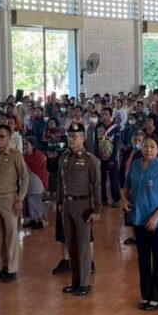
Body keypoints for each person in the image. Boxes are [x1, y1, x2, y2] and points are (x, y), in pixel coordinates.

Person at [122, 135, 158, 311]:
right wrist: (124, 199)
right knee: (143, 258)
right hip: (139, 218)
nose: (148, 150)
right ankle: (146, 294)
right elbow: (127, 185)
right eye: (145, 146)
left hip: (157, 222)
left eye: (152, 146)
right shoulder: (136, 165)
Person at [58, 122, 100, 296]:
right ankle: (75, 280)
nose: (71, 139)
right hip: (67, 205)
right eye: (69, 136)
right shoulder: (64, 158)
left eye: (75, 136)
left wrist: (96, 210)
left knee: (83, 245)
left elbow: (96, 185)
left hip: (83, 205)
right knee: (71, 245)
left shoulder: (90, 159)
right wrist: (60, 202)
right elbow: (61, 183)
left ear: (83, 138)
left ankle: (84, 283)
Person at [0, 125, 30, 283]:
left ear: (9, 138)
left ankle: (11, 269)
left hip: (10, 199)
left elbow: (25, 177)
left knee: (11, 235)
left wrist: (20, 199)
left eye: (2, 136)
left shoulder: (15, 155)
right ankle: (0, 267)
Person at [22, 137, 48, 229]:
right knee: (28, 203)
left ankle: (39, 221)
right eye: (24, 144)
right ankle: (32, 220)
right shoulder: (24, 156)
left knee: (35, 203)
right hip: (27, 183)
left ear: (33, 146)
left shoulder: (39, 156)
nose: (25, 146)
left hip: (36, 182)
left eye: (27, 144)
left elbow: (40, 170)